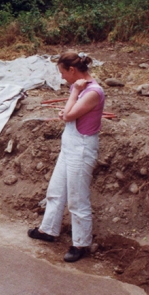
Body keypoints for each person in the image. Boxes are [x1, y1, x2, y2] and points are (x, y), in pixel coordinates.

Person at [28, 51, 105, 262]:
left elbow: (68, 115)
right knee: (56, 189)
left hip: (81, 148)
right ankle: (48, 230)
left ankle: (81, 243)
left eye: (62, 72)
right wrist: (70, 101)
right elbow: (66, 113)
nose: (62, 77)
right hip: (70, 144)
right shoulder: (79, 87)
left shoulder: (92, 92)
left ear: (72, 70)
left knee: (77, 198)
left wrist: (72, 96)